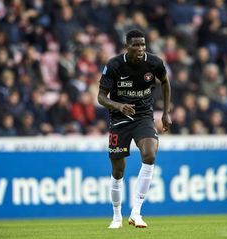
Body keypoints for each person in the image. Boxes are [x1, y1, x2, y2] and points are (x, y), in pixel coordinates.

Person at [98, 29, 172, 229]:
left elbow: (165, 83)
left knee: (149, 155)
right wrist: (118, 105)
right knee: (118, 170)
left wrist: (165, 112)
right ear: (127, 46)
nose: (140, 49)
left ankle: (136, 212)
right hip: (120, 120)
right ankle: (116, 216)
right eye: (136, 45)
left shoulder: (154, 63)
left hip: (143, 117)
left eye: (143, 45)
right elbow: (101, 97)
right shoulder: (114, 65)